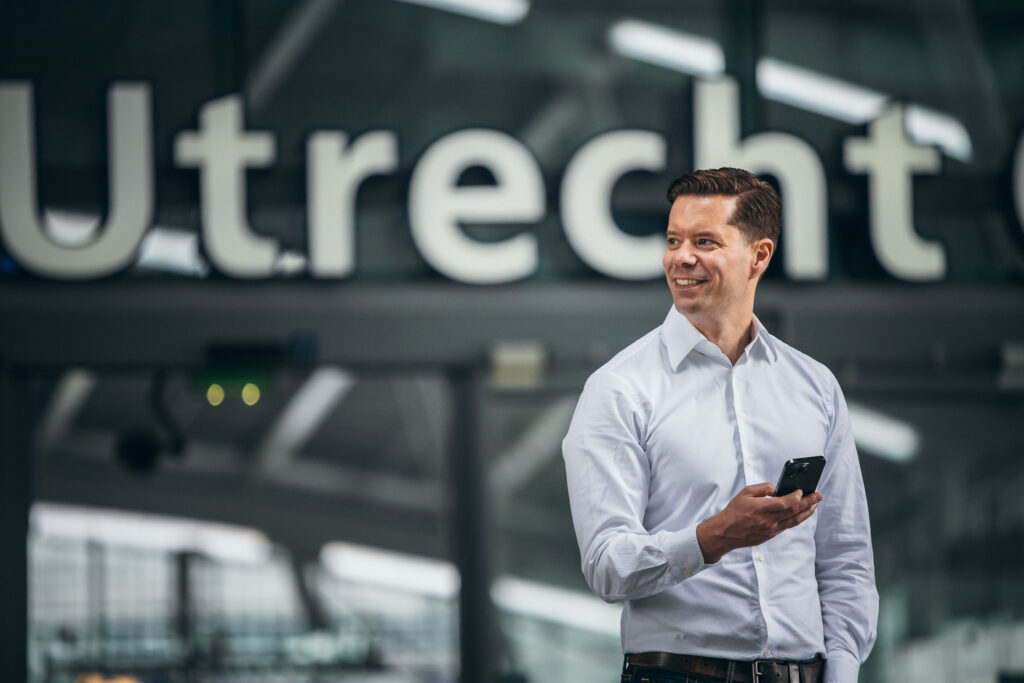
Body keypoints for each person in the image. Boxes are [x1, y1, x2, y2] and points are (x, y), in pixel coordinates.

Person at [562, 168, 877, 683]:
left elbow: (845, 558)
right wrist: (714, 537)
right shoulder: (619, 388)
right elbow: (605, 563)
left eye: (704, 241)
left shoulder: (815, 388)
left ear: (759, 255)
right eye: (673, 240)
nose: (681, 258)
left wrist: (841, 671)